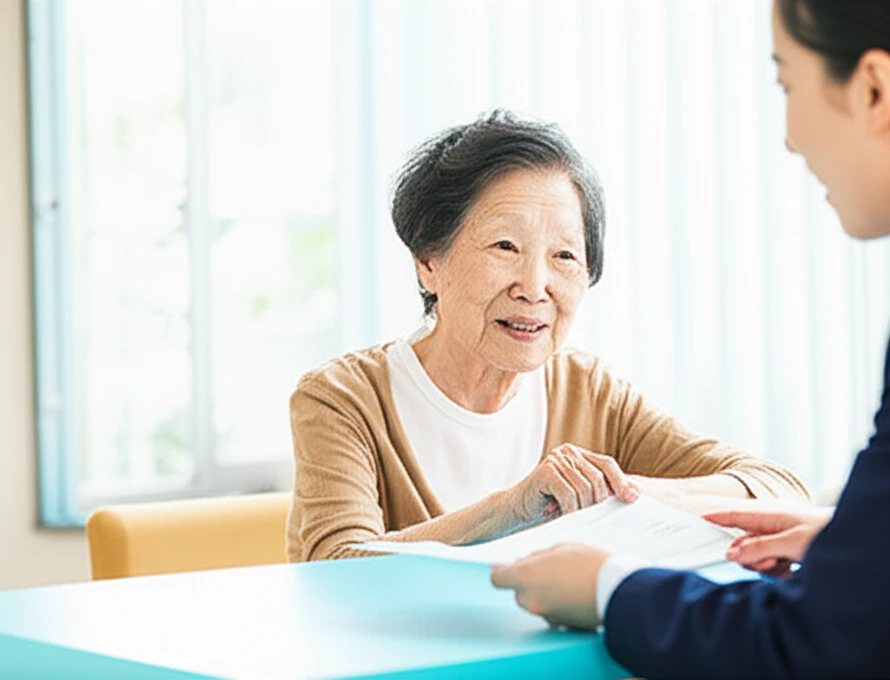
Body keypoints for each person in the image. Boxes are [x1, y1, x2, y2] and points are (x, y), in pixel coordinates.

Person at [491, 1, 890, 677]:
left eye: (788, 84)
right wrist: (883, 545)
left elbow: (815, 645)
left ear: (874, 89)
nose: (788, 137)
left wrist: (609, 586)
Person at [286, 110, 810, 563]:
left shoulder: (591, 392)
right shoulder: (343, 399)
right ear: (428, 262)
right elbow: (335, 566)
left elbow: (780, 491)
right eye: (505, 246)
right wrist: (513, 508)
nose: (534, 288)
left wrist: (620, 494)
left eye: (564, 256)